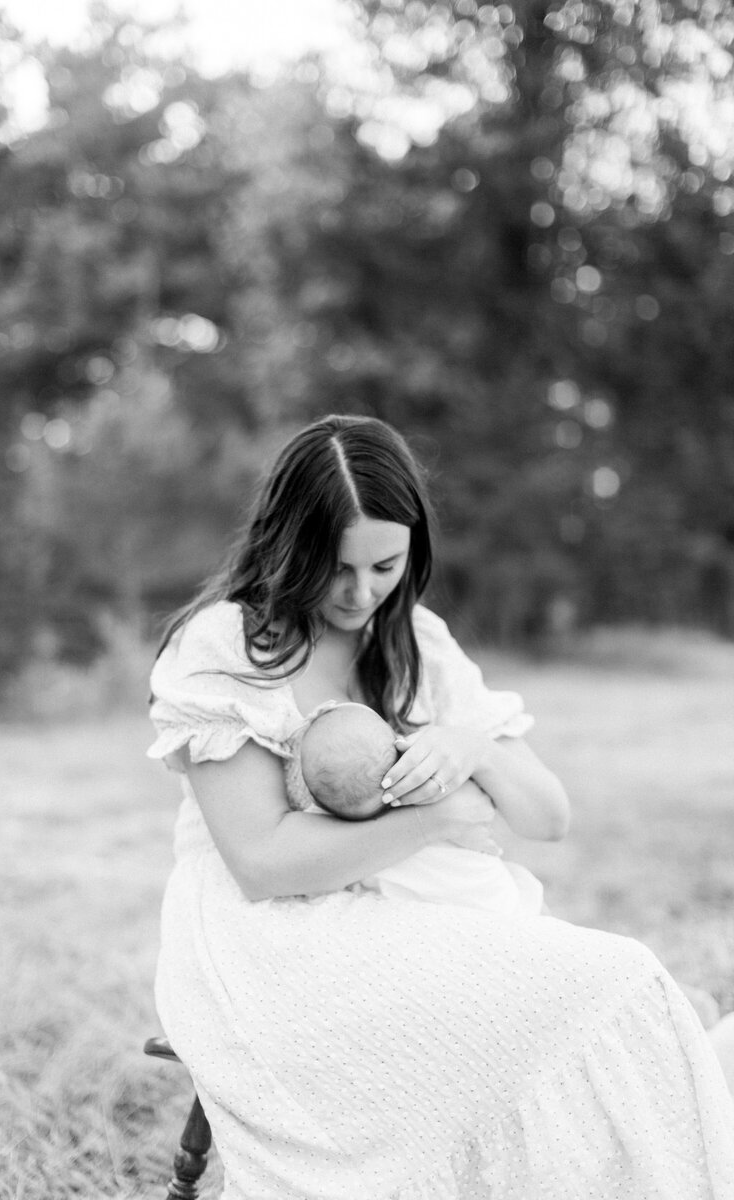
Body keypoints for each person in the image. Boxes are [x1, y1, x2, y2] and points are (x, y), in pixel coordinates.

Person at [148, 414, 734, 1200]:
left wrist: (473, 747)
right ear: (287, 547)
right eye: (336, 569)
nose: (361, 594)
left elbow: (548, 816)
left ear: (413, 548)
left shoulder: (415, 641)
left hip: (415, 908)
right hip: (274, 936)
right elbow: (261, 864)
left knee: (620, 990)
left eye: (385, 566)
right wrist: (436, 817)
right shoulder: (229, 646)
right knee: (617, 977)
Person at [297, 700, 545, 914]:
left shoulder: (354, 852)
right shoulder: (441, 793)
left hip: (435, 920)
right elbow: (482, 834)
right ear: (402, 748)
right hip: (494, 899)